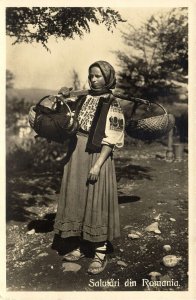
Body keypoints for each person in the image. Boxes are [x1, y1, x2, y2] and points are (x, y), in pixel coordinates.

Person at [29, 60, 125, 275]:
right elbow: (64, 117)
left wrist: (98, 166)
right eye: (91, 75)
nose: (93, 79)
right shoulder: (83, 98)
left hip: (96, 155)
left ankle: (100, 253)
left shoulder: (113, 104)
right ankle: (83, 245)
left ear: (108, 78)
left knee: (95, 200)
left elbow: (112, 140)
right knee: (78, 198)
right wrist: (62, 96)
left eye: (98, 76)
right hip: (76, 153)